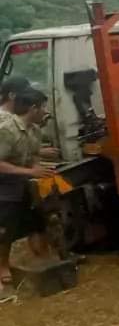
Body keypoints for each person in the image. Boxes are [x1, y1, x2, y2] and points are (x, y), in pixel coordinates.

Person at [0, 88, 56, 290]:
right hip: (4, 189)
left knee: (37, 223)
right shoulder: (6, 129)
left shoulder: (35, 131)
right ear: (33, 108)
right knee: (4, 232)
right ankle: (3, 268)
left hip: (24, 186)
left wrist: (39, 170)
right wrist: (29, 172)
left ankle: (45, 263)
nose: (45, 111)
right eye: (43, 107)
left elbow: (33, 157)